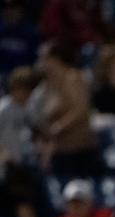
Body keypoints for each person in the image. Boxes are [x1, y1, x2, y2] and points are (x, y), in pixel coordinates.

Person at [29, 40, 101, 178]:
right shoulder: (47, 85)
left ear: (55, 60)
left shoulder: (73, 77)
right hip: (59, 153)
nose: (41, 62)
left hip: (80, 152)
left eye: (44, 58)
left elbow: (81, 108)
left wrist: (59, 126)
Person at [0, 65, 43, 217]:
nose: (28, 95)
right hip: (6, 168)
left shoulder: (29, 109)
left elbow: (38, 131)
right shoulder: (3, 109)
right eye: (26, 91)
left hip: (22, 166)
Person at [0, 0, 40, 79]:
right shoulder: (1, 31)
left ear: (21, 10)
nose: (9, 12)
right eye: (6, 8)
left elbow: (33, 61)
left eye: (13, 8)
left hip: (23, 79)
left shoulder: (31, 33)